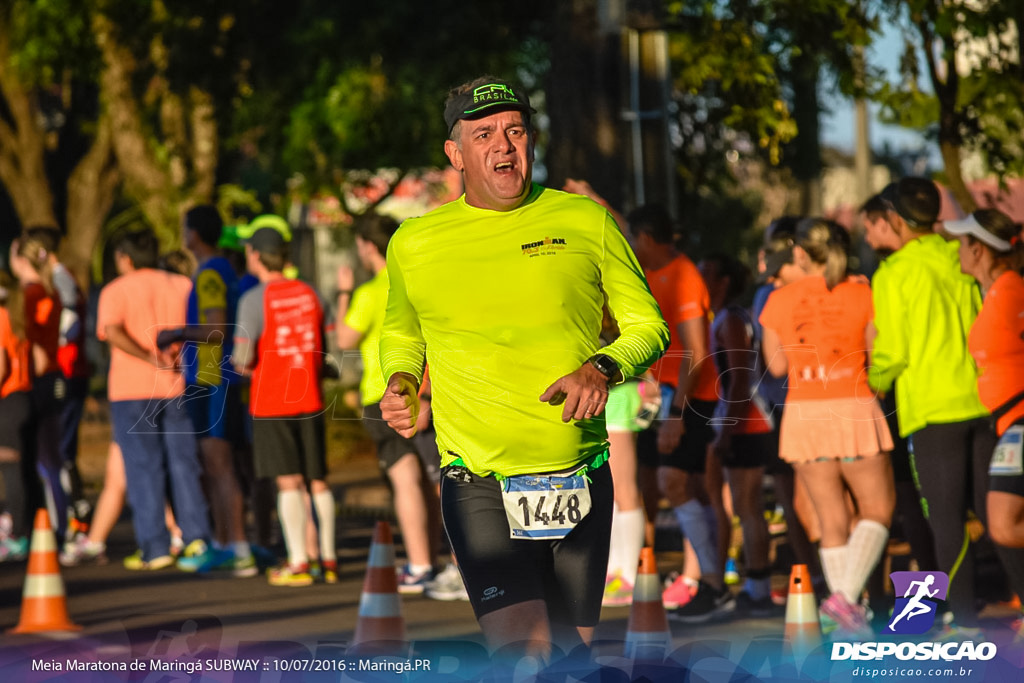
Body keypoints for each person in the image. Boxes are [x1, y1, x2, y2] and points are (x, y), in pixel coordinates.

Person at [378, 75, 668, 661]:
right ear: (455, 154)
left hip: (579, 474)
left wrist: (603, 368)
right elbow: (402, 331)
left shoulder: (587, 221)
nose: (503, 145)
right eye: (483, 134)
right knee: (527, 654)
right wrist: (401, 379)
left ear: (531, 142)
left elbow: (649, 327)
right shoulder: (415, 242)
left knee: (571, 659)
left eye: (514, 131)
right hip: (478, 479)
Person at [868, 177, 994, 635]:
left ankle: (963, 619)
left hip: (932, 410)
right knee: (996, 510)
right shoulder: (957, 254)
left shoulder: (893, 273)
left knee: (945, 518)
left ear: (897, 221)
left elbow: (893, 350)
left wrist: (872, 381)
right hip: (982, 399)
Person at [760, 218, 895, 637]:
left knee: (830, 522)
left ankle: (846, 617)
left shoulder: (778, 300)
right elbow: (876, 358)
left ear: (799, 253)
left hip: (804, 413)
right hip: (854, 405)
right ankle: (845, 601)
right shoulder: (862, 291)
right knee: (878, 510)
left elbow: (777, 366)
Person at [96, 229, 220, 571]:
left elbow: (114, 331)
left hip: (131, 389)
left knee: (143, 469)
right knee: (184, 464)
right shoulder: (181, 284)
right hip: (176, 385)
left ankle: (155, 547)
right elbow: (200, 328)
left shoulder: (115, 290)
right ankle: (196, 539)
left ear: (125, 258)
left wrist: (148, 356)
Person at [626, 204, 725, 622]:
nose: (630, 246)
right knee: (655, 482)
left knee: (675, 481)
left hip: (690, 399)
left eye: (633, 238)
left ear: (646, 237)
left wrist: (676, 413)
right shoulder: (648, 274)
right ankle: (678, 577)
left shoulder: (684, 275)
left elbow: (697, 353)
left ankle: (713, 584)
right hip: (660, 396)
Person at [335, 212, 441, 592]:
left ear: (367, 246)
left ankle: (419, 565)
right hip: (424, 391)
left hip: (382, 397)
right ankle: (448, 561)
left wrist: (343, 292)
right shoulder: (415, 283)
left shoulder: (368, 292)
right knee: (438, 481)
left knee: (405, 480)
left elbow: (345, 340)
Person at [233, 226, 337, 587]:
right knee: (317, 479)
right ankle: (328, 557)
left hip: (273, 400)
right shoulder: (311, 293)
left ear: (257, 256)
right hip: (311, 394)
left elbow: (243, 358)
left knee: (288, 481)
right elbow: (329, 350)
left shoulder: (253, 299)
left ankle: (297, 562)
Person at [157, 205, 255, 576]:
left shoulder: (211, 273)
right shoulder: (220, 270)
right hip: (214, 376)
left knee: (219, 463)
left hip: (213, 377)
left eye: (184, 228)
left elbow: (217, 329)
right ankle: (224, 543)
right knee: (216, 464)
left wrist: (176, 332)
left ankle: (237, 546)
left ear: (193, 234)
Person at [944, 209, 1024, 602]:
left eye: (961, 243)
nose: (956, 250)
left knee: (1004, 524)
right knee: (1003, 525)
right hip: (1006, 421)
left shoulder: (1012, 291)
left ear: (978, 250)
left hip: (1021, 421)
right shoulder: (995, 290)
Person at [700, 252, 777, 616]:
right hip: (744, 420)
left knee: (748, 508)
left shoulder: (730, 319)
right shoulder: (729, 317)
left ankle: (758, 586)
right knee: (746, 507)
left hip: (748, 423)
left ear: (723, 281)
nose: (700, 278)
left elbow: (741, 378)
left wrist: (727, 429)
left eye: (707, 273)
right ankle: (754, 582)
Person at [21, 226, 93, 538]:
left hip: (66, 371)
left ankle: (73, 520)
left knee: (59, 450)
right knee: (60, 450)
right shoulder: (53, 281)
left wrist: (58, 341)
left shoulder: (58, 279)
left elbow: (71, 320)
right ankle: (75, 515)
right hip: (65, 370)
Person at [9, 236, 68, 542]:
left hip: (39, 382)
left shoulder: (30, 295)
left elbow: (39, 352)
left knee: (41, 461)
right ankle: (51, 527)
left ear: (20, 260)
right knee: (48, 460)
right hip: (52, 381)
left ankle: (51, 530)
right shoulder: (50, 291)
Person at [0, 272, 36, 561]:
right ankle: (23, 532)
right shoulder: (17, 317)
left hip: (9, 399)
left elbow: (0, 367)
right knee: (21, 469)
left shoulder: (0, 317)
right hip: (23, 397)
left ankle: (17, 535)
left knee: (11, 468)